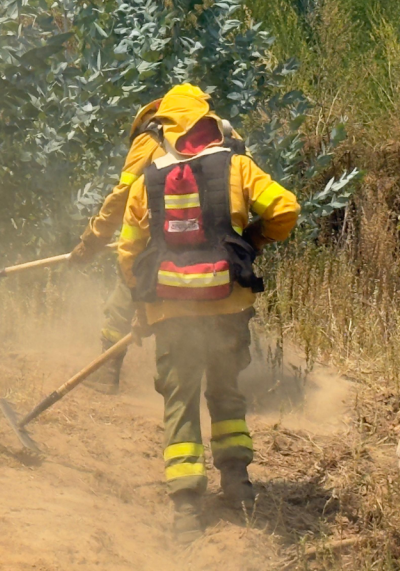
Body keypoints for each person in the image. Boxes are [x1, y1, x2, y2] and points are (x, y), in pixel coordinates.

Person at [115, 83, 299, 543]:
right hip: (226, 305)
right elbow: (286, 209)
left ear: (169, 128)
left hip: (170, 312)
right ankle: (237, 486)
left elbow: (127, 254)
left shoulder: (146, 181)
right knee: (225, 390)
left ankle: (186, 511)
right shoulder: (237, 166)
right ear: (206, 120)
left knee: (180, 404)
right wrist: (251, 241)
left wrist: (143, 306)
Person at [69, 88, 246, 394]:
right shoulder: (228, 136)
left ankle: (106, 374)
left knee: (126, 295)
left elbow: (122, 196)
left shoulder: (151, 138)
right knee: (225, 307)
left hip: (169, 239)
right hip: (223, 245)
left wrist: (93, 240)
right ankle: (227, 383)